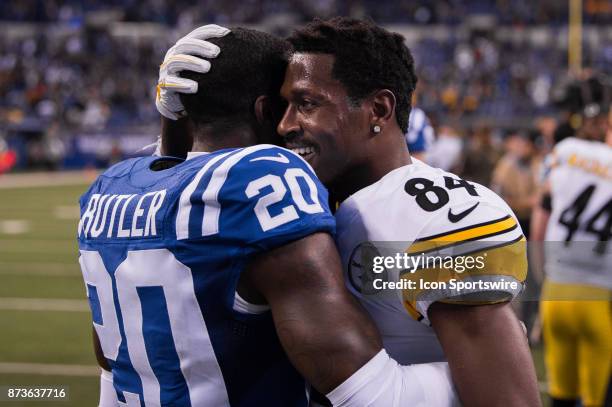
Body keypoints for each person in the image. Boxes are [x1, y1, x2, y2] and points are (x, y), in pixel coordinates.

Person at [170, 17, 541, 406]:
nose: (284, 125)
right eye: (284, 106)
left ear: (378, 109)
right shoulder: (296, 202)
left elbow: (508, 400)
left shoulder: (436, 219)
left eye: (307, 104)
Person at [80, 25, 458, 407]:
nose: (289, 124)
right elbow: (371, 395)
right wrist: (480, 371)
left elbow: (110, 364)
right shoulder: (261, 176)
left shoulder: (110, 187)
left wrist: (175, 113)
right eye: (289, 104)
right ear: (265, 110)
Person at [533, 94, 612, 407]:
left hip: (556, 293)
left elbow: (544, 211)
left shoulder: (565, 152)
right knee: (597, 398)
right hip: (600, 296)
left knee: (560, 395)